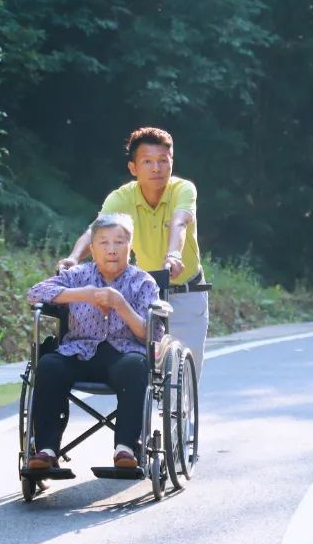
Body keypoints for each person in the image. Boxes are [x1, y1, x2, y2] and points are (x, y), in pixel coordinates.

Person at [58, 127, 210, 374]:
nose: (156, 168)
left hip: (187, 292)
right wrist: (74, 258)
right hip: (144, 293)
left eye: (163, 161)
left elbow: (180, 222)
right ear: (133, 168)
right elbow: (95, 231)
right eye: (147, 162)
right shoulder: (122, 197)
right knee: (145, 369)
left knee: (186, 371)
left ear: (172, 162)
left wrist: (173, 255)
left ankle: (182, 402)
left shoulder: (183, 189)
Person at [26, 212, 159, 470]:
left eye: (119, 242)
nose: (111, 249)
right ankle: (46, 449)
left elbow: (150, 335)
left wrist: (121, 304)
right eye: (103, 242)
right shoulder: (77, 275)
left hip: (123, 354)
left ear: (130, 246)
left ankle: (126, 448)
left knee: (137, 366)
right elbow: (35, 293)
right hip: (78, 350)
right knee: (49, 366)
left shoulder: (143, 282)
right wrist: (82, 295)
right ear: (93, 248)